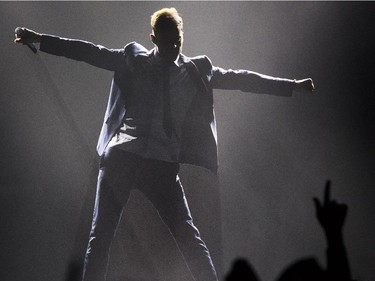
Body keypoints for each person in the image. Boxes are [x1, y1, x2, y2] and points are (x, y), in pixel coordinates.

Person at [14, 7, 314, 281]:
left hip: (161, 166)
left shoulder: (196, 70)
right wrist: (40, 39)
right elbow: (88, 52)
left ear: (182, 37)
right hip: (123, 156)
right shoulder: (133, 58)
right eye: (167, 42)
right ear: (153, 38)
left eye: (177, 42)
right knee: (101, 236)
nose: (172, 48)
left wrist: (291, 86)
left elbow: (242, 79)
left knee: (187, 234)